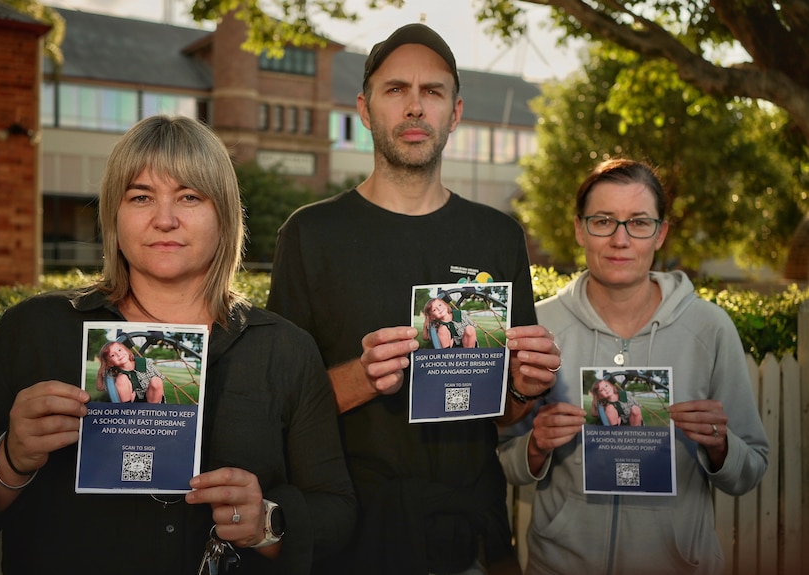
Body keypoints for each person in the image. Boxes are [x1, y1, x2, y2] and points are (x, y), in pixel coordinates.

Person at [0, 115, 356, 575]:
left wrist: (267, 522)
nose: (164, 219)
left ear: (223, 215)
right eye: (141, 197)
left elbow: (336, 512)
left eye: (189, 196)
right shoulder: (35, 331)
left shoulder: (284, 350)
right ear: (114, 216)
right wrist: (10, 459)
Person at [267, 23, 561, 575]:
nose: (414, 107)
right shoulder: (310, 234)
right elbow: (277, 410)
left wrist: (525, 385)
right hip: (350, 534)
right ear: (365, 106)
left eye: (433, 92)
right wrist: (363, 376)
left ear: (455, 112)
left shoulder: (497, 236)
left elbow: (504, 414)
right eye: (395, 89)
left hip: (468, 534)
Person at [497, 158, 769, 575]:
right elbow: (497, 456)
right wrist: (534, 447)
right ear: (578, 229)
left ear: (660, 233)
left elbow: (749, 471)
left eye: (639, 222)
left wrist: (720, 445)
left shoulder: (709, 328)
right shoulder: (536, 328)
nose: (620, 239)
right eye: (603, 220)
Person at [95, 340, 165, 403]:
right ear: (110, 363)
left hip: (152, 399)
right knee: (121, 378)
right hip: (133, 401)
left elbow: (159, 384)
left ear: (126, 351)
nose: (119, 355)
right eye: (113, 355)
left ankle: (153, 411)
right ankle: (127, 410)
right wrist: (100, 373)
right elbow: (100, 387)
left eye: (120, 350)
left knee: (156, 380)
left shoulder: (145, 362)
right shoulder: (114, 372)